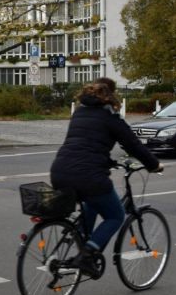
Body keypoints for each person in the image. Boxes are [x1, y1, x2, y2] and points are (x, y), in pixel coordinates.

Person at [50, 77, 163, 277]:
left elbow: (85, 144)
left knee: (92, 203)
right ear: (111, 95)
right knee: (115, 215)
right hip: (89, 176)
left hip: (60, 170)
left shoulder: (79, 113)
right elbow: (132, 145)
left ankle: (82, 243)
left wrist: (107, 161)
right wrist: (154, 165)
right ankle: (87, 254)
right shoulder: (111, 117)